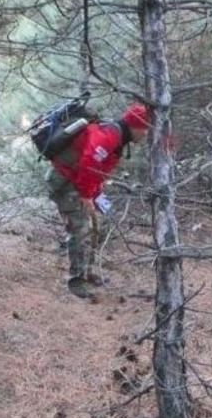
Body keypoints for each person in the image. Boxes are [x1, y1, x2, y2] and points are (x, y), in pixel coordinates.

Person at [45, 101, 150, 295]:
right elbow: (88, 162)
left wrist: (95, 193)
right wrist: (86, 195)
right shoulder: (110, 135)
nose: (145, 133)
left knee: (100, 224)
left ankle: (88, 271)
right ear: (134, 126)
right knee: (80, 229)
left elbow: (98, 168)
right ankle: (76, 280)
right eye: (144, 128)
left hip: (82, 183)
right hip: (65, 181)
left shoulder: (118, 136)